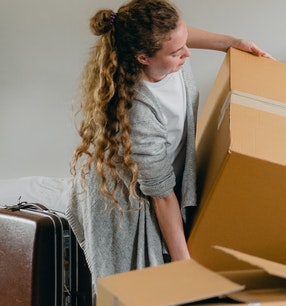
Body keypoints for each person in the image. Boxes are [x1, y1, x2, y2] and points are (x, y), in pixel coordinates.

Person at [67, 0, 273, 280]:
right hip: (125, 203)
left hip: (161, 185)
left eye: (184, 42)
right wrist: (183, 267)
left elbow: (178, 35)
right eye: (177, 52)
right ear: (143, 58)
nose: (187, 53)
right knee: (141, 290)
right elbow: (162, 196)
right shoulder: (137, 109)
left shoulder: (169, 58)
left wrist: (233, 42)